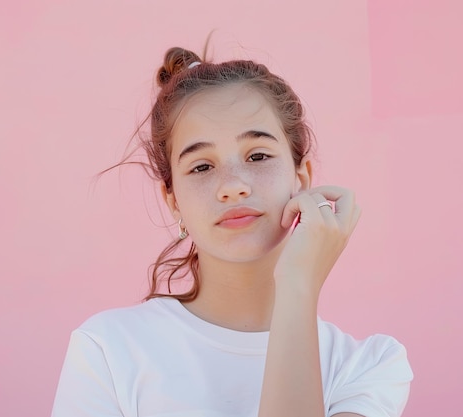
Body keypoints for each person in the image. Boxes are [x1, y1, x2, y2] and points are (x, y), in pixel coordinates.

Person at [51, 46, 413, 417]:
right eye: (202, 166)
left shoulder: (367, 368)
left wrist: (297, 284)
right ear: (173, 200)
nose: (233, 186)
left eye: (257, 156)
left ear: (301, 178)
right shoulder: (108, 351)